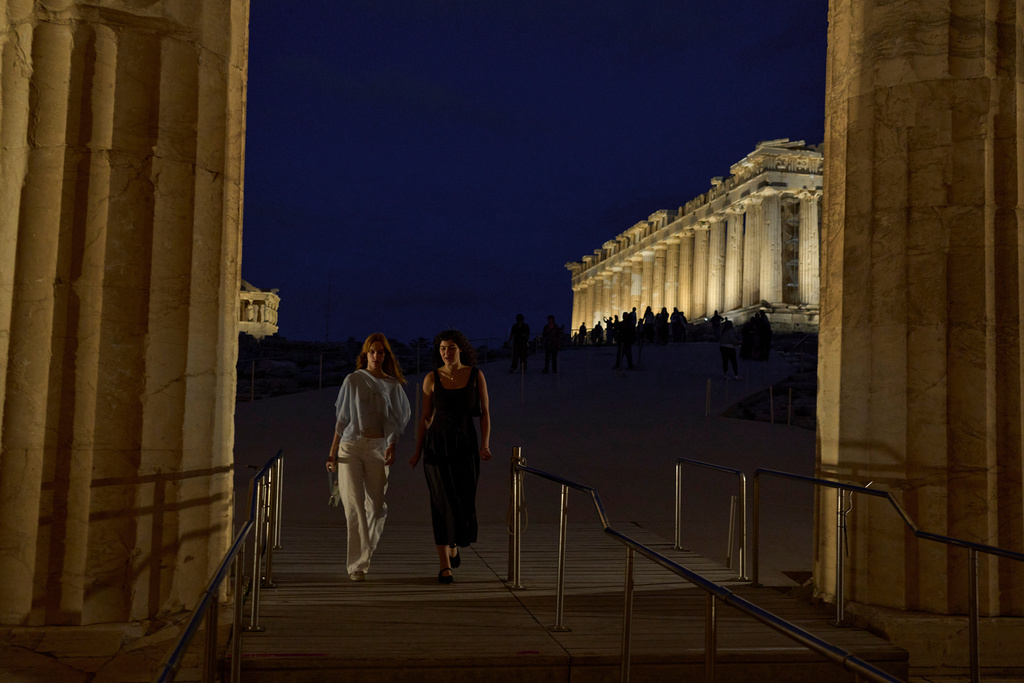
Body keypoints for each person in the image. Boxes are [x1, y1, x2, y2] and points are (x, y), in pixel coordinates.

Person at [326, 333, 411, 582]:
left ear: (386, 355)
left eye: (380, 352)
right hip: (350, 446)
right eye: (372, 352)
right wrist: (331, 452)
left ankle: (367, 546)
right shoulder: (353, 380)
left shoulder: (393, 385)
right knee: (354, 507)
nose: (376, 356)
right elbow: (341, 420)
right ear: (366, 354)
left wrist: (392, 445)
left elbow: (396, 421)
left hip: (378, 447)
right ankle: (357, 565)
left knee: (375, 506)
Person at [410, 330, 491, 584]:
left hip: (466, 445)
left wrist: (485, 444)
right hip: (437, 446)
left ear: (461, 349)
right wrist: (417, 450)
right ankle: (445, 564)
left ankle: (454, 542)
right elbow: (425, 418)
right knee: (440, 501)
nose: (447, 352)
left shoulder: (476, 376)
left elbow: (485, 413)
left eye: (452, 347)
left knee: (464, 501)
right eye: (443, 348)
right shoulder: (431, 378)